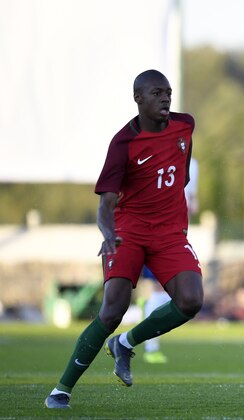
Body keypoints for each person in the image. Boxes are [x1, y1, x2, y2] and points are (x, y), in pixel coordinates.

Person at [45, 69, 204, 409]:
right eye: (157, 93)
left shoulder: (185, 126)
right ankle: (62, 389)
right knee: (113, 309)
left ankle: (126, 344)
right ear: (138, 99)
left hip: (169, 233)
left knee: (191, 300)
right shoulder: (123, 143)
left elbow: (183, 172)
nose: (166, 98)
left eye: (169, 92)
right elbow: (106, 203)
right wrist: (109, 234)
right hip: (128, 231)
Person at [141, 157, 199, 364]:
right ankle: (150, 347)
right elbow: (193, 205)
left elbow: (191, 204)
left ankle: (147, 311)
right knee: (160, 290)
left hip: (175, 238)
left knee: (176, 293)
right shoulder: (190, 163)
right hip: (158, 237)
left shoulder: (190, 164)